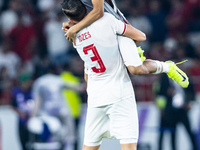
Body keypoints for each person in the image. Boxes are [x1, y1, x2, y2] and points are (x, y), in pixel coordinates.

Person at [61, 0, 189, 150]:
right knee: (136, 69)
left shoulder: (73, 36)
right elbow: (141, 36)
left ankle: (168, 67)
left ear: (70, 19)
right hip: (116, 89)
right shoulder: (88, 27)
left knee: (135, 69)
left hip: (98, 87)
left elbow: (98, 12)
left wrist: (73, 28)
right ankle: (165, 66)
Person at [31, 64, 82, 150]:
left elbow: (37, 101)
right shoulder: (58, 79)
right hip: (62, 110)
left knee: (53, 136)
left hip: (48, 112)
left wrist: (33, 116)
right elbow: (75, 87)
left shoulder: (39, 82)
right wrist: (82, 86)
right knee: (70, 135)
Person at [156, 73, 198, 150]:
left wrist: (189, 102)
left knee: (189, 131)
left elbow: (191, 90)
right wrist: (167, 92)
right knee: (173, 133)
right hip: (171, 111)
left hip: (183, 109)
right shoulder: (164, 78)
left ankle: (195, 147)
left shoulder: (183, 75)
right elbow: (160, 93)